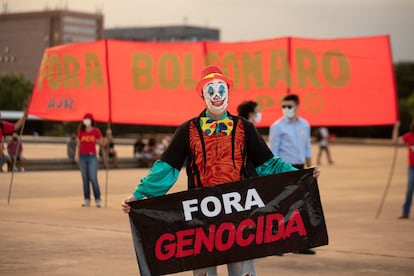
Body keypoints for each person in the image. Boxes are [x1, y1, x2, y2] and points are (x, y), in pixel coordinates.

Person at [121, 65, 320, 276]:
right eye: (211, 91)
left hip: (240, 216)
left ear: (229, 93)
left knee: (242, 272)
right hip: (200, 219)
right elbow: (166, 168)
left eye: (221, 90)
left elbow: (268, 164)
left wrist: (302, 176)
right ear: (202, 95)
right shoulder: (188, 130)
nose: (217, 96)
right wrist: (139, 195)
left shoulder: (245, 128)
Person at [269, 93, 315, 255]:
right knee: (282, 205)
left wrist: (310, 167)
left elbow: (307, 146)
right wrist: (274, 172)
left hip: (300, 169)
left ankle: (299, 243)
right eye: (283, 106)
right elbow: (273, 151)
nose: (286, 109)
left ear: (297, 106)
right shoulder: (277, 126)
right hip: (284, 169)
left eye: (289, 106)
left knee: (300, 205)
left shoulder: (304, 125)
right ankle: (277, 243)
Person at [74, 113, 103, 208]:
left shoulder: (96, 131)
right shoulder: (81, 132)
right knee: (85, 178)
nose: (87, 121)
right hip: (83, 156)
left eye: (88, 119)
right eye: (85, 119)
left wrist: (108, 135)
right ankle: (87, 199)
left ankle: (98, 199)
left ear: (91, 121)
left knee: (93, 177)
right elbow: (78, 144)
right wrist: (76, 155)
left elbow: (102, 142)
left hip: (92, 157)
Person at [393, 120, 414, 219]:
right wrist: (396, 127)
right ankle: (406, 212)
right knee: (410, 188)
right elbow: (395, 141)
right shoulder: (409, 136)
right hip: (412, 167)